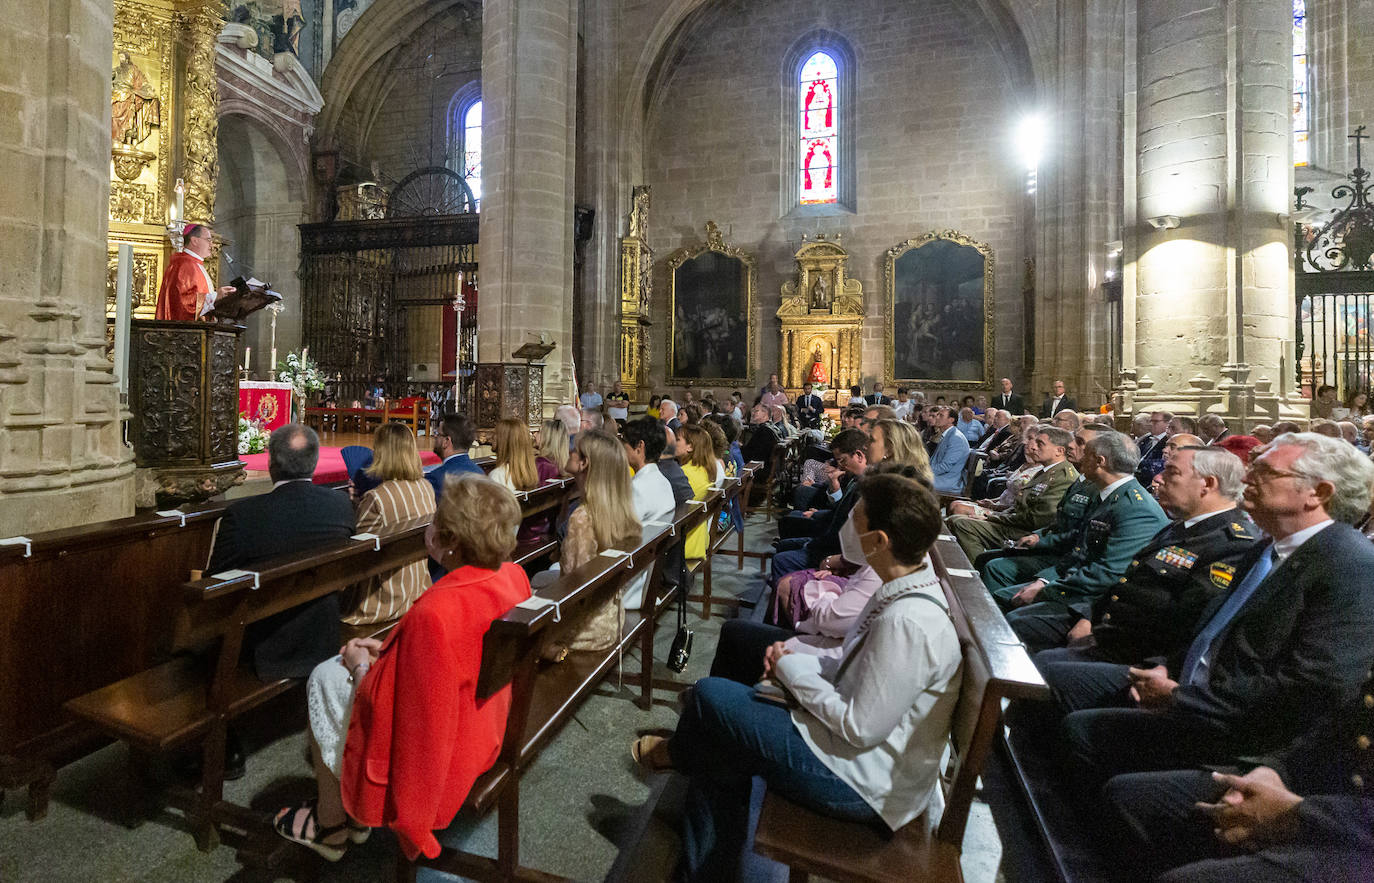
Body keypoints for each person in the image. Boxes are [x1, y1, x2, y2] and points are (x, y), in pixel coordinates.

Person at [631, 471, 962, 882]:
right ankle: (705, 868)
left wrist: (789, 670)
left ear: (879, 542)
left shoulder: (909, 622)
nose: (847, 527)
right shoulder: (902, 588)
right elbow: (853, 668)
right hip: (854, 756)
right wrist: (794, 661)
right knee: (721, 740)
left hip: (863, 784)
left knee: (710, 698)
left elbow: (858, 727)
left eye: (855, 519)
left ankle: (678, 759)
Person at [1062, 432, 1374, 786]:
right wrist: (1167, 668)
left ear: (1318, 494)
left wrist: (1182, 698)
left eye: (1265, 472)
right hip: (1195, 698)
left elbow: (1312, 688)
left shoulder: (1348, 562)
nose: (1244, 478)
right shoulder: (1268, 549)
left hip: (1242, 734)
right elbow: (1214, 635)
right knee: (1072, 712)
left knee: (1096, 749)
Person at [273, 474, 530, 861]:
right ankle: (345, 817)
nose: (431, 525)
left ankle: (332, 824)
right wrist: (396, 653)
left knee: (326, 675)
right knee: (335, 670)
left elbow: (418, 721)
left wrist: (362, 667)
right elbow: (463, 654)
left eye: (437, 520)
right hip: (485, 722)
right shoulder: (512, 575)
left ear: (451, 540)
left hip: (453, 752)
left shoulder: (436, 614)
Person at [1023, 447, 1260, 719]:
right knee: (1024, 631)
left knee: (1045, 668)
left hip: (1138, 654)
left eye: (1172, 472)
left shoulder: (1230, 543)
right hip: (1112, 631)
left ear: (1207, 484)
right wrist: (1089, 617)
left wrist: (1109, 641)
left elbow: (1188, 624)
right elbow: (1128, 580)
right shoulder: (1181, 526)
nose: (1160, 477)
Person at [988, 432, 1170, 653]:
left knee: (1014, 617)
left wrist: (1047, 589)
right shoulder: (1108, 495)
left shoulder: (1135, 509)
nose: (1080, 458)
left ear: (1100, 461)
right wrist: (1044, 581)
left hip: (1093, 600)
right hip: (1077, 583)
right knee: (999, 597)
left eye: (1087, 454)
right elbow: (1080, 551)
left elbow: (1107, 573)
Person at [207, 423, 356, 681]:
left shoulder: (243, 516)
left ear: (271, 464)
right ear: (315, 461)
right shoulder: (340, 504)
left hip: (263, 646)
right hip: (324, 637)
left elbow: (216, 585)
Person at [541, 432, 645, 659]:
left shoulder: (583, 517)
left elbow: (573, 587)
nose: (569, 451)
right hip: (610, 621)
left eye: (574, 449)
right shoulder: (619, 508)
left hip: (582, 631)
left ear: (584, 462)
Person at [342, 423, 436, 625]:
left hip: (383, 600)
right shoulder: (425, 487)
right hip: (418, 587)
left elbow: (356, 553)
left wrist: (353, 507)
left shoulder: (377, 497)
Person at [948, 425, 1079, 561]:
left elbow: (1037, 520)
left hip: (1028, 532)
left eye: (1040, 444)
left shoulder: (1063, 477)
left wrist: (992, 517)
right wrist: (994, 515)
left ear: (1059, 450)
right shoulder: (1046, 471)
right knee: (957, 520)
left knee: (961, 524)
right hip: (1017, 524)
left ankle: (976, 571)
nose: (1033, 447)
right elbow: (1019, 506)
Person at [770, 429, 870, 583]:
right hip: (830, 534)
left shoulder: (865, 484)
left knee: (782, 559)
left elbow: (846, 527)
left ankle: (790, 597)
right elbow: (840, 511)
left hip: (836, 547)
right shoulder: (855, 477)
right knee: (787, 535)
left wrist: (819, 549)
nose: (840, 466)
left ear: (859, 455)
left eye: (842, 460)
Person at [154, 223, 236, 321]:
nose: (212, 244)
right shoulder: (183, 265)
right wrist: (216, 296)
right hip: (185, 332)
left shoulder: (194, 263)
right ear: (195, 241)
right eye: (208, 240)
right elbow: (184, 304)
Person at [677, 424, 716, 559]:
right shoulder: (704, 469)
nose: (672, 443)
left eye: (677, 440)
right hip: (698, 540)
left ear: (690, 447)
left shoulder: (685, 474)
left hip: (685, 545)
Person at [488, 416, 545, 492]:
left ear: (505, 440)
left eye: (495, 433)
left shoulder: (497, 476)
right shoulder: (528, 471)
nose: (491, 437)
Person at [928, 405, 972, 493]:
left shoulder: (956, 438)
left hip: (947, 481)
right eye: (937, 414)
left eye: (941, 415)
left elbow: (945, 466)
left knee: (911, 482)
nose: (937, 417)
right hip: (939, 477)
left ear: (951, 420)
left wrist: (924, 472)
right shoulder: (947, 435)